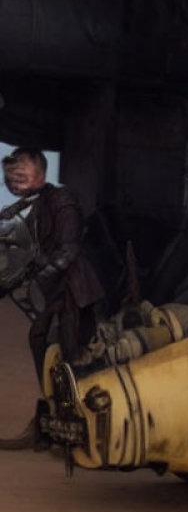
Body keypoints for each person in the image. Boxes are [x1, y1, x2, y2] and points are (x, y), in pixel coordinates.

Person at [1, 148, 105, 384]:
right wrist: (7, 284)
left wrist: (42, 272)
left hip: (75, 289)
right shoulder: (36, 209)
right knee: (38, 337)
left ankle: (77, 400)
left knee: (71, 348)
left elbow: (68, 249)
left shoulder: (62, 200)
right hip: (56, 290)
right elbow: (27, 254)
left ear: (39, 173)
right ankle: (54, 400)